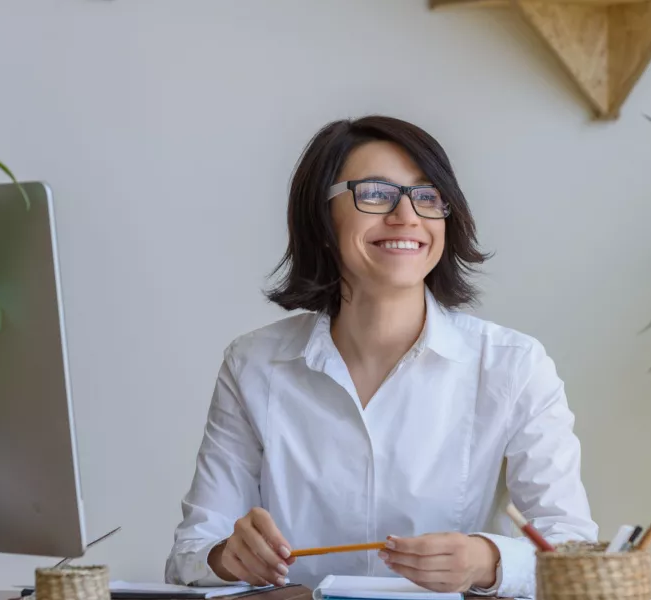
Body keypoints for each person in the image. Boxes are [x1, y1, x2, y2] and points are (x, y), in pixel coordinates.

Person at [165, 116, 597, 598]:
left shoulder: (513, 366)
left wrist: (488, 560)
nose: (407, 216)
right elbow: (192, 551)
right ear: (322, 217)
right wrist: (228, 557)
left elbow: (572, 547)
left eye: (427, 196)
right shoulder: (253, 363)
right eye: (375, 193)